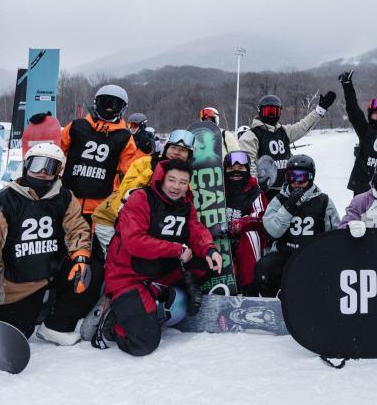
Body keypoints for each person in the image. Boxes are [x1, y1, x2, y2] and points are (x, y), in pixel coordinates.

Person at [0, 143, 98, 343]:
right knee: (16, 335)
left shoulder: (64, 197)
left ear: (59, 171)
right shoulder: (3, 202)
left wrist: (81, 256)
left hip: (52, 269)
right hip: (19, 282)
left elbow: (77, 229)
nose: (43, 171)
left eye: (51, 166)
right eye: (37, 164)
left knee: (91, 270)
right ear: (26, 166)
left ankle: (56, 326)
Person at [100, 158, 223, 356]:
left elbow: (195, 229)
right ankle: (114, 323)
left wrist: (210, 249)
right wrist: (176, 249)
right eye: (172, 180)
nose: (177, 187)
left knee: (208, 263)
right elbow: (134, 242)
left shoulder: (185, 204)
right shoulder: (141, 198)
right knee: (144, 344)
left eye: (183, 182)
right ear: (162, 179)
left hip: (159, 271)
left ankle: (153, 296)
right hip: (128, 276)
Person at [90, 129, 196, 253]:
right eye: (173, 147)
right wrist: (152, 171)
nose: (176, 152)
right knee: (120, 255)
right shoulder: (144, 163)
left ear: (189, 155)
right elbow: (126, 193)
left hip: (146, 225)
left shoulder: (185, 178)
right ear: (166, 148)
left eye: (183, 150)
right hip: (112, 220)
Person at [254, 155, 340, 296]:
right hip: (284, 253)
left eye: (301, 177)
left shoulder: (323, 201)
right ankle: (273, 299)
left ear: (311, 177)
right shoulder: (279, 200)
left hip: (313, 254)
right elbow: (272, 231)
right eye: (292, 177)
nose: (296, 182)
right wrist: (289, 207)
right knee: (264, 269)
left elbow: (335, 233)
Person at [59, 84, 144, 225]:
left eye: (115, 104)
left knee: (94, 240)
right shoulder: (77, 127)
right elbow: (54, 153)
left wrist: (143, 152)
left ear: (122, 109)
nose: (109, 108)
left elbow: (130, 170)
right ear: (96, 103)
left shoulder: (123, 136)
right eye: (105, 102)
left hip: (101, 206)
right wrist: (42, 130)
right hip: (68, 201)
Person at [238, 92, 336, 197]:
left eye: (275, 111)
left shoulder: (284, 131)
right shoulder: (251, 135)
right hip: (265, 191)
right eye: (268, 111)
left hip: (287, 189)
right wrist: (255, 188)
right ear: (260, 111)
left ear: (280, 112)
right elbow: (248, 164)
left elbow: (303, 126)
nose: (272, 115)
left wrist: (320, 110)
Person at [224, 150, 269, 296]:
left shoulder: (255, 192)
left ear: (248, 169)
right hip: (222, 240)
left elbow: (262, 218)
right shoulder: (218, 191)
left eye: (241, 168)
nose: (236, 173)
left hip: (245, 244)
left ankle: (251, 288)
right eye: (231, 169)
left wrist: (241, 223)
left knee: (252, 235)